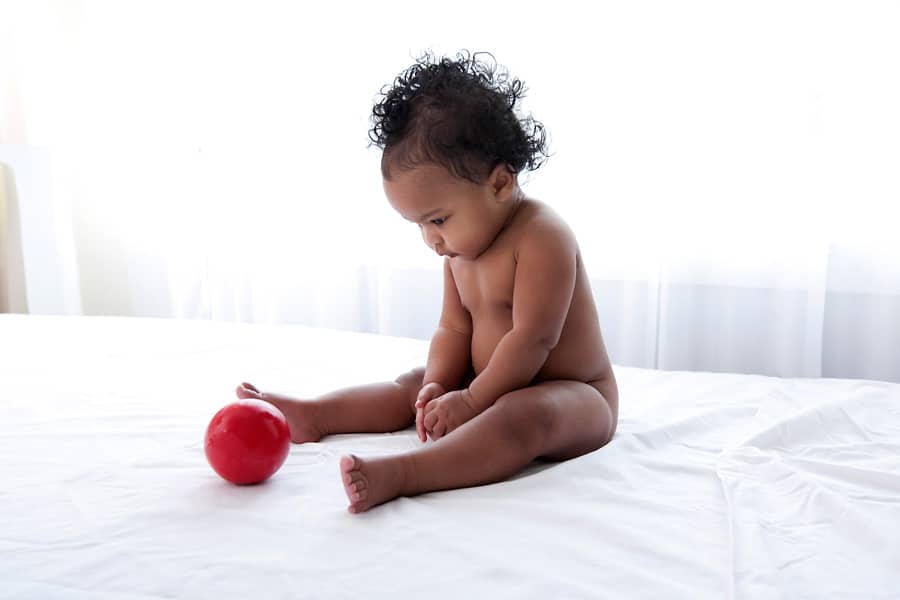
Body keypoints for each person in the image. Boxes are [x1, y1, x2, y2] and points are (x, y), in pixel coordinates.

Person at [236, 51, 618, 513]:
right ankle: (316, 414)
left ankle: (406, 473)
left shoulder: (541, 237)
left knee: (523, 414)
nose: (431, 240)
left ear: (500, 183)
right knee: (413, 383)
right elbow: (454, 330)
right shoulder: (460, 249)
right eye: (418, 225)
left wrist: (474, 401)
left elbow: (532, 340)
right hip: (488, 381)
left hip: (576, 395)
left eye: (438, 219)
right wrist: (439, 386)